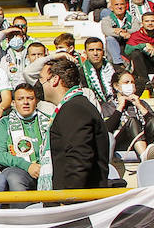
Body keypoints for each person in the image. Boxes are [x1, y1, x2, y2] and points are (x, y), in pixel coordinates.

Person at [40, 55, 109, 190]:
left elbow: (79, 158)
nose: (39, 86)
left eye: (41, 80)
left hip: (75, 202)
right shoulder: (77, 106)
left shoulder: (73, 109)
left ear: (54, 80)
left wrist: (69, 199)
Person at [0, 84, 50, 192]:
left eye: (30, 98)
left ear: (36, 101)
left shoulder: (49, 121)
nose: (25, 102)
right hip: (18, 170)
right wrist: (27, 166)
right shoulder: (4, 123)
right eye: (20, 99)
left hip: (47, 169)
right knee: (15, 178)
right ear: (13, 103)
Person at [104, 70, 154, 161]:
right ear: (116, 86)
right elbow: (106, 129)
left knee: (153, 119)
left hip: (145, 139)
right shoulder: (108, 106)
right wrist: (120, 107)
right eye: (126, 82)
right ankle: (144, 155)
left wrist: (139, 106)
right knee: (132, 121)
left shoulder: (142, 103)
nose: (130, 85)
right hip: (122, 142)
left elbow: (153, 123)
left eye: (132, 82)